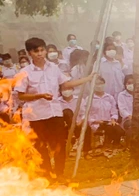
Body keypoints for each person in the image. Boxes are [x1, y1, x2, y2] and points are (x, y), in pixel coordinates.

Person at [15, 37, 94, 180]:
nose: (40, 54)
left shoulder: (54, 68)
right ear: (29, 53)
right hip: (36, 115)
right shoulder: (25, 72)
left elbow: (65, 85)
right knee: (40, 147)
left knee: (59, 144)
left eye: (42, 50)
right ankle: (47, 175)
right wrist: (38, 96)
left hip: (54, 112)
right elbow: (21, 95)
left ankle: (59, 173)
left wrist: (87, 79)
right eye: (36, 51)